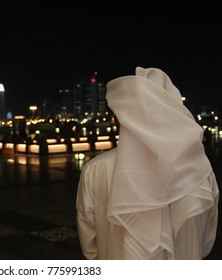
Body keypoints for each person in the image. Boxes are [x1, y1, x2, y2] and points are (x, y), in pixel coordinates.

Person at [76, 66, 219, 259]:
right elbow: (206, 241)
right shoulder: (200, 169)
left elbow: (90, 246)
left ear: (123, 116)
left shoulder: (96, 170)